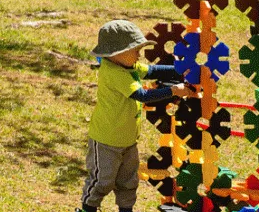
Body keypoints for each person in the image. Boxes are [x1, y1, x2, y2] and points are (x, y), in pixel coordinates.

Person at [76, 20, 196, 212]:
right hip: (106, 140)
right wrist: (174, 90)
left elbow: (152, 71)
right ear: (117, 53)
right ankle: (87, 208)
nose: (139, 54)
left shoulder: (127, 66)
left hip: (128, 140)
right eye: (136, 50)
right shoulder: (114, 73)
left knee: (128, 181)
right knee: (102, 181)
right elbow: (142, 95)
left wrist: (180, 71)